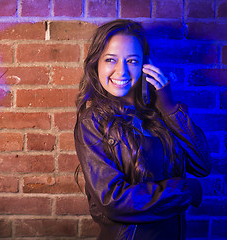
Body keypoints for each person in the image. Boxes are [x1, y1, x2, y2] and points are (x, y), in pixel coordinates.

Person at [74, 19, 211, 240]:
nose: (121, 71)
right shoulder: (93, 122)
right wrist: (185, 190)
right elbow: (113, 200)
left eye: (132, 60)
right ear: (96, 64)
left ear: (144, 66)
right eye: (110, 59)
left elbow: (202, 164)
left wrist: (170, 108)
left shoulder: (158, 114)